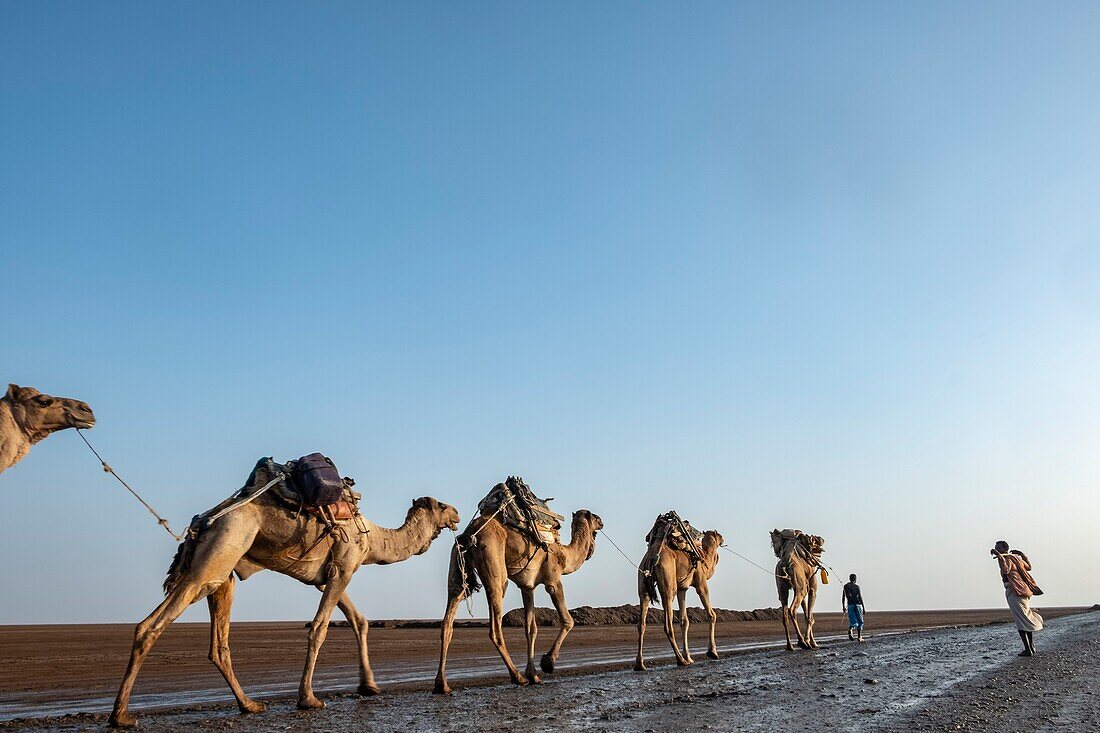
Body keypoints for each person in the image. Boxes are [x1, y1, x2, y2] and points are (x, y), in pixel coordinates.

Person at [991, 540, 1043, 656]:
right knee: (1025, 618)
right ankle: (1031, 647)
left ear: (1003, 549)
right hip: (1022, 591)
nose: (995, 549)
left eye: (997, 548)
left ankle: (1028, 649)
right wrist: (1022, 555)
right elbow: (1028, 567)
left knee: (1021, 620)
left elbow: (1006, 570)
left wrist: (1000, 557)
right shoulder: (1016, 558)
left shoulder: (1007, 559)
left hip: (1015, 591)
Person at [842, 573, 865, 642]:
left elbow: (843, 597)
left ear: (849, 579)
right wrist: (863, 607)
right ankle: (859, 637)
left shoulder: (845, 586)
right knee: (860, 621)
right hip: (858, 605)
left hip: (850, 605)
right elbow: (860, 597)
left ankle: (851, 629)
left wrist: (843, 606)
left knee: (853, 621)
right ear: (855, 579)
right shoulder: (857, 587)